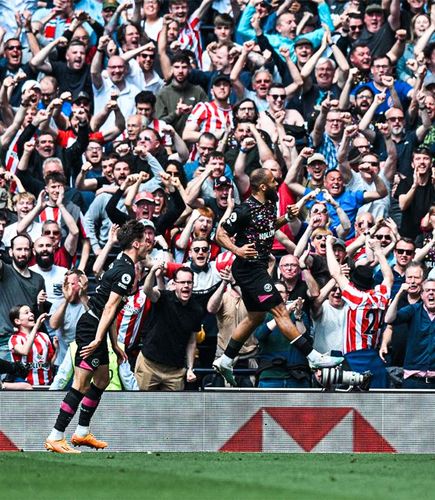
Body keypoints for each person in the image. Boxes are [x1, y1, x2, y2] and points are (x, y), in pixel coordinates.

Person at [213, 168, 343, 386]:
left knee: (254, 318)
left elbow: (268, 227)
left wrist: (286, 217)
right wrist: (238, 251)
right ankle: (313, 357)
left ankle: (225, 360)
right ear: (262, 186)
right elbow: (220, 234)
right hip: (248, 268)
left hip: (259, 267)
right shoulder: (245, 209)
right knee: (280, 310)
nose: (277, 185)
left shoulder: (270, 205)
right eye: (273, 182)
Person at [44, 220, 151, 453]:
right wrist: (97, 339)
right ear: (136, 243)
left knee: (102, 379)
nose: (148, 244)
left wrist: (113, 343)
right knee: (81, 384)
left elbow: (112, 309)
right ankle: (55, 435)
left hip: (97, 327)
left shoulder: (121, 261)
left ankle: (81, 432)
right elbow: (110, 307)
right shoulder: (125, 271)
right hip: (91, 328)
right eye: (145, 240)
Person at [135, 265, 201, 391]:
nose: (186, 285)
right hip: (149, 365)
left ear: (193, 284)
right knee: (142, 407)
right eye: (182, 282)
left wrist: (190, 368)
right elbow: (147, 290)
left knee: (172, 410)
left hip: (175, 372)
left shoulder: (196, 309)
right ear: (174, 284)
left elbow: (192, 341)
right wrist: (153, 271)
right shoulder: (164, 297)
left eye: (189, 282)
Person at [385, 279, 435, 389]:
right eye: (427, 290)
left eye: (434, 290)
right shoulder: (414, 310)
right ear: (422, 295)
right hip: (413, 380)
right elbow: (389, 319)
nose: (431, 293)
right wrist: (399, 294)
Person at [9, 306, 58, 386]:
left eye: (31, 312)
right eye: (26, 312)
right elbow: (24, 351)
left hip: (47, 386)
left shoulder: (44, 336)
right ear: (17, 321)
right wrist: (36, 327)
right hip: (24, 387)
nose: (32, 314)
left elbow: (50, 364)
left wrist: (57, 349)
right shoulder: (15, 338)